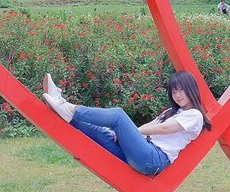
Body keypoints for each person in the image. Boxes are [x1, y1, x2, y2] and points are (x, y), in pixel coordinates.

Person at [42, 70, 211, 175]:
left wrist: (132, 133)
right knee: (100, 132)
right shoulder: (172, 112)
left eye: (181, 90)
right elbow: (148, 126)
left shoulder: (194, 115)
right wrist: (126, 135)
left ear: (191, 89)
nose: (177, 95)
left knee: (118, 116)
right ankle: (64, 114)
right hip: (141, 152)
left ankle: (68, 107)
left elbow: (165, 128)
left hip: (152, 159)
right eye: (174, 91)